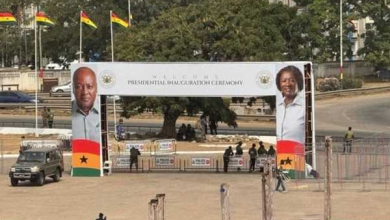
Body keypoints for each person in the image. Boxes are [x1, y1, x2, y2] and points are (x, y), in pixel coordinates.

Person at [276, 65, 305, 144]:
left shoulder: (305, 106)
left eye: (292, 80)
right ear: (279, 84)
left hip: (297, 155)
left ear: (298, 83)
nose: (287, 84)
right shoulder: (278, 107)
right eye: (284, 81)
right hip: (279, 155)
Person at [72, 67, 100, 143]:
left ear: (96, 88)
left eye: (89, 87)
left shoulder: (103, 112)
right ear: (73, 89)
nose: (85, 92)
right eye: (79, 87)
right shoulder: (68, 113)